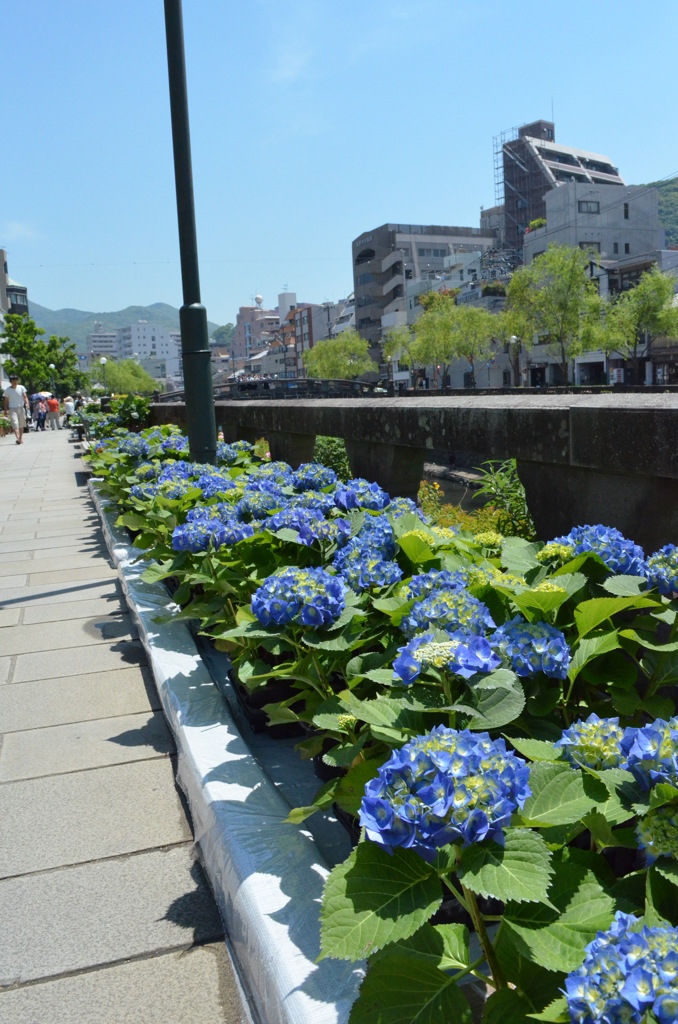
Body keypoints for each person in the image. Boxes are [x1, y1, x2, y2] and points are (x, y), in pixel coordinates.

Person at [3, 372, 30, 444]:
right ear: (10, 382)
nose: (15, 382)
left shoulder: (21, 387)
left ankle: (21, 438)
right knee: (15, 423)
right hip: (12, 409)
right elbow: (5, 401)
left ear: (17, 381)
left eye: (16, 380)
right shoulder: (7, 390)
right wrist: (5, 410)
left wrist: (27, 403)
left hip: (21, 408)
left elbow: (25, 396)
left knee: (21, 424)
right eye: (13, 381)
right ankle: (17, 438)